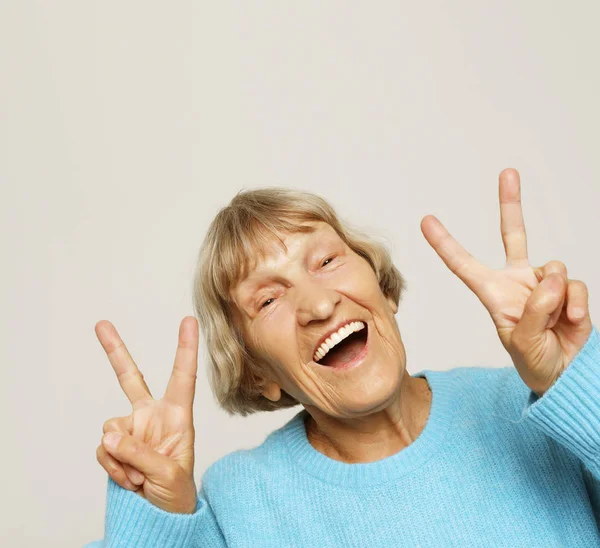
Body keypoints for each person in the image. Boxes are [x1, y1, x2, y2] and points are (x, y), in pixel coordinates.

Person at [86, 168, 600, 547]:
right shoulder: (240, 503)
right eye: (268, 299)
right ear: (256, 372)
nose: (318, 303)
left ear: (383, 287)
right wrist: (156, 520)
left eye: (327, 261)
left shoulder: (539, 408)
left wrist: (580, 387)